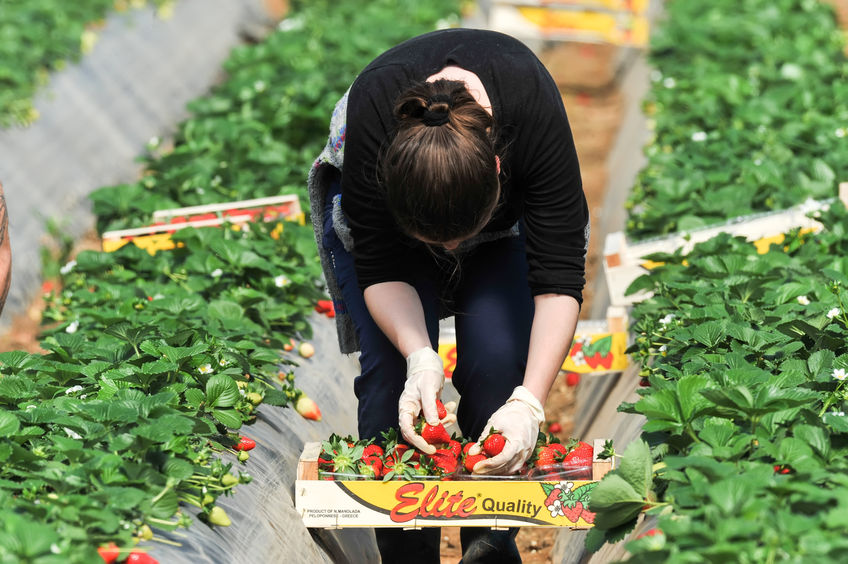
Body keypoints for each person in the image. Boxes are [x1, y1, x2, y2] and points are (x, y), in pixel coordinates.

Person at [307, 27, 588, 563]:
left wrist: (528, 403)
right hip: (390, 233)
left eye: (458, 240)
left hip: (500, 225)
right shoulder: (373, 117)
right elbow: (381, 267)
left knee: (498, 366)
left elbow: (557, 278)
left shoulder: (531, 115)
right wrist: (418, 356)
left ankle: (491, 544)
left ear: (500, 172)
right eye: (435, 243)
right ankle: (406, 555)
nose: (451, 253)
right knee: (391, 392)